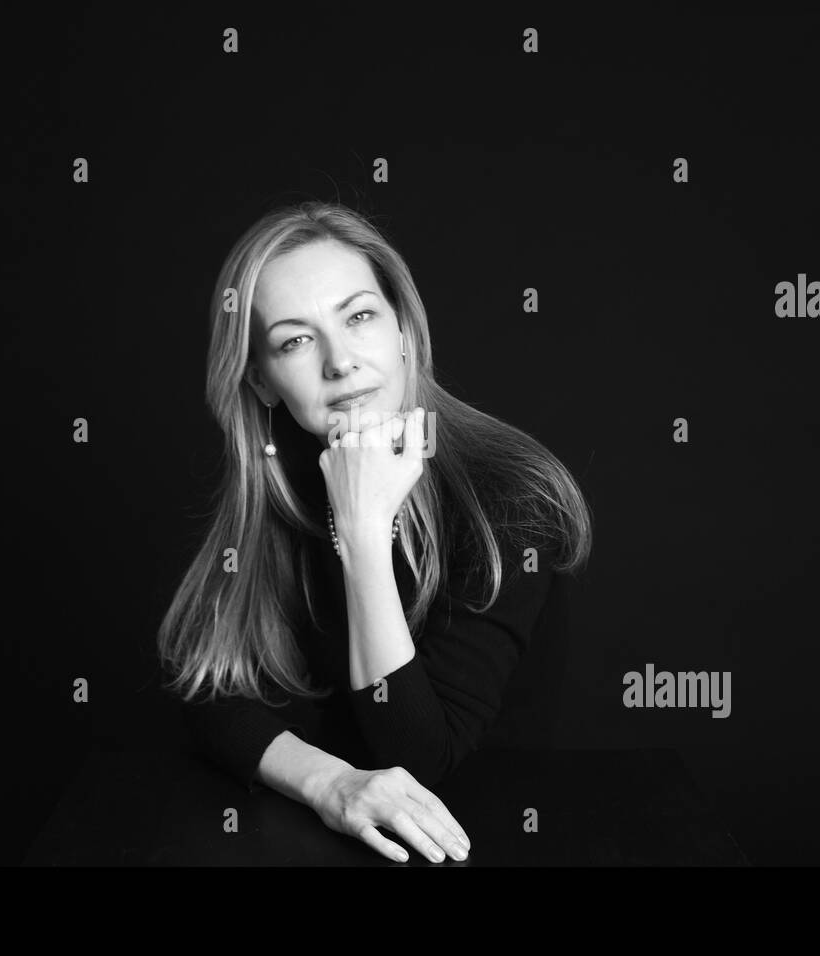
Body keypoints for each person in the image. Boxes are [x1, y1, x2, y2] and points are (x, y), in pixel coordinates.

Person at [157, 201, 591, 863]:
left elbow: (416, 756)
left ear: (404, 333)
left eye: (359, 316)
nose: (340, 362)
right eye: (294, 340)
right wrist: (329, 784)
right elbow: (212, 693)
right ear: (261, 381)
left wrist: (362, 530)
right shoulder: (283, 480)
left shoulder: (509, 491)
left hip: (485, 840)